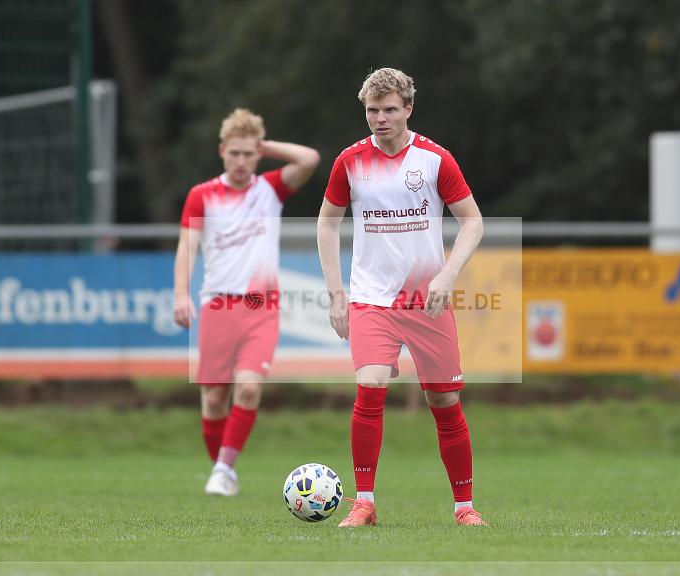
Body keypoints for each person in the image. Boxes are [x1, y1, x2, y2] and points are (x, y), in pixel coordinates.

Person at [317, 68, 486, 526]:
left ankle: (464, 508)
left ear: (408, 108)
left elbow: (473, 221)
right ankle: (364, 502)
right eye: (372, 110)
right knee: (370, 385)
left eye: (390, 109)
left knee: (444, 402)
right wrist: (337, 293)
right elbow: (327, 222)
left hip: (425, 302)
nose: (380, 118)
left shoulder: (435, 159)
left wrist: (447, 276)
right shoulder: (349, 161)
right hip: (372, 299)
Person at [174, 108, 320, 496]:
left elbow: (309, 159)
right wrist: (179, 294)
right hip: (218, 306)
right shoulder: (202, 196)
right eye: (234, 153)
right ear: (222, 152)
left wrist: (265, 145)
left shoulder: (270, 190)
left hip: (261, 307)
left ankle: (223, 469)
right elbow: (187, 248)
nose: (241, 161)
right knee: (214, 397)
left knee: (249, 388)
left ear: (257, 154)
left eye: (248, 153)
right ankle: (223, 469)